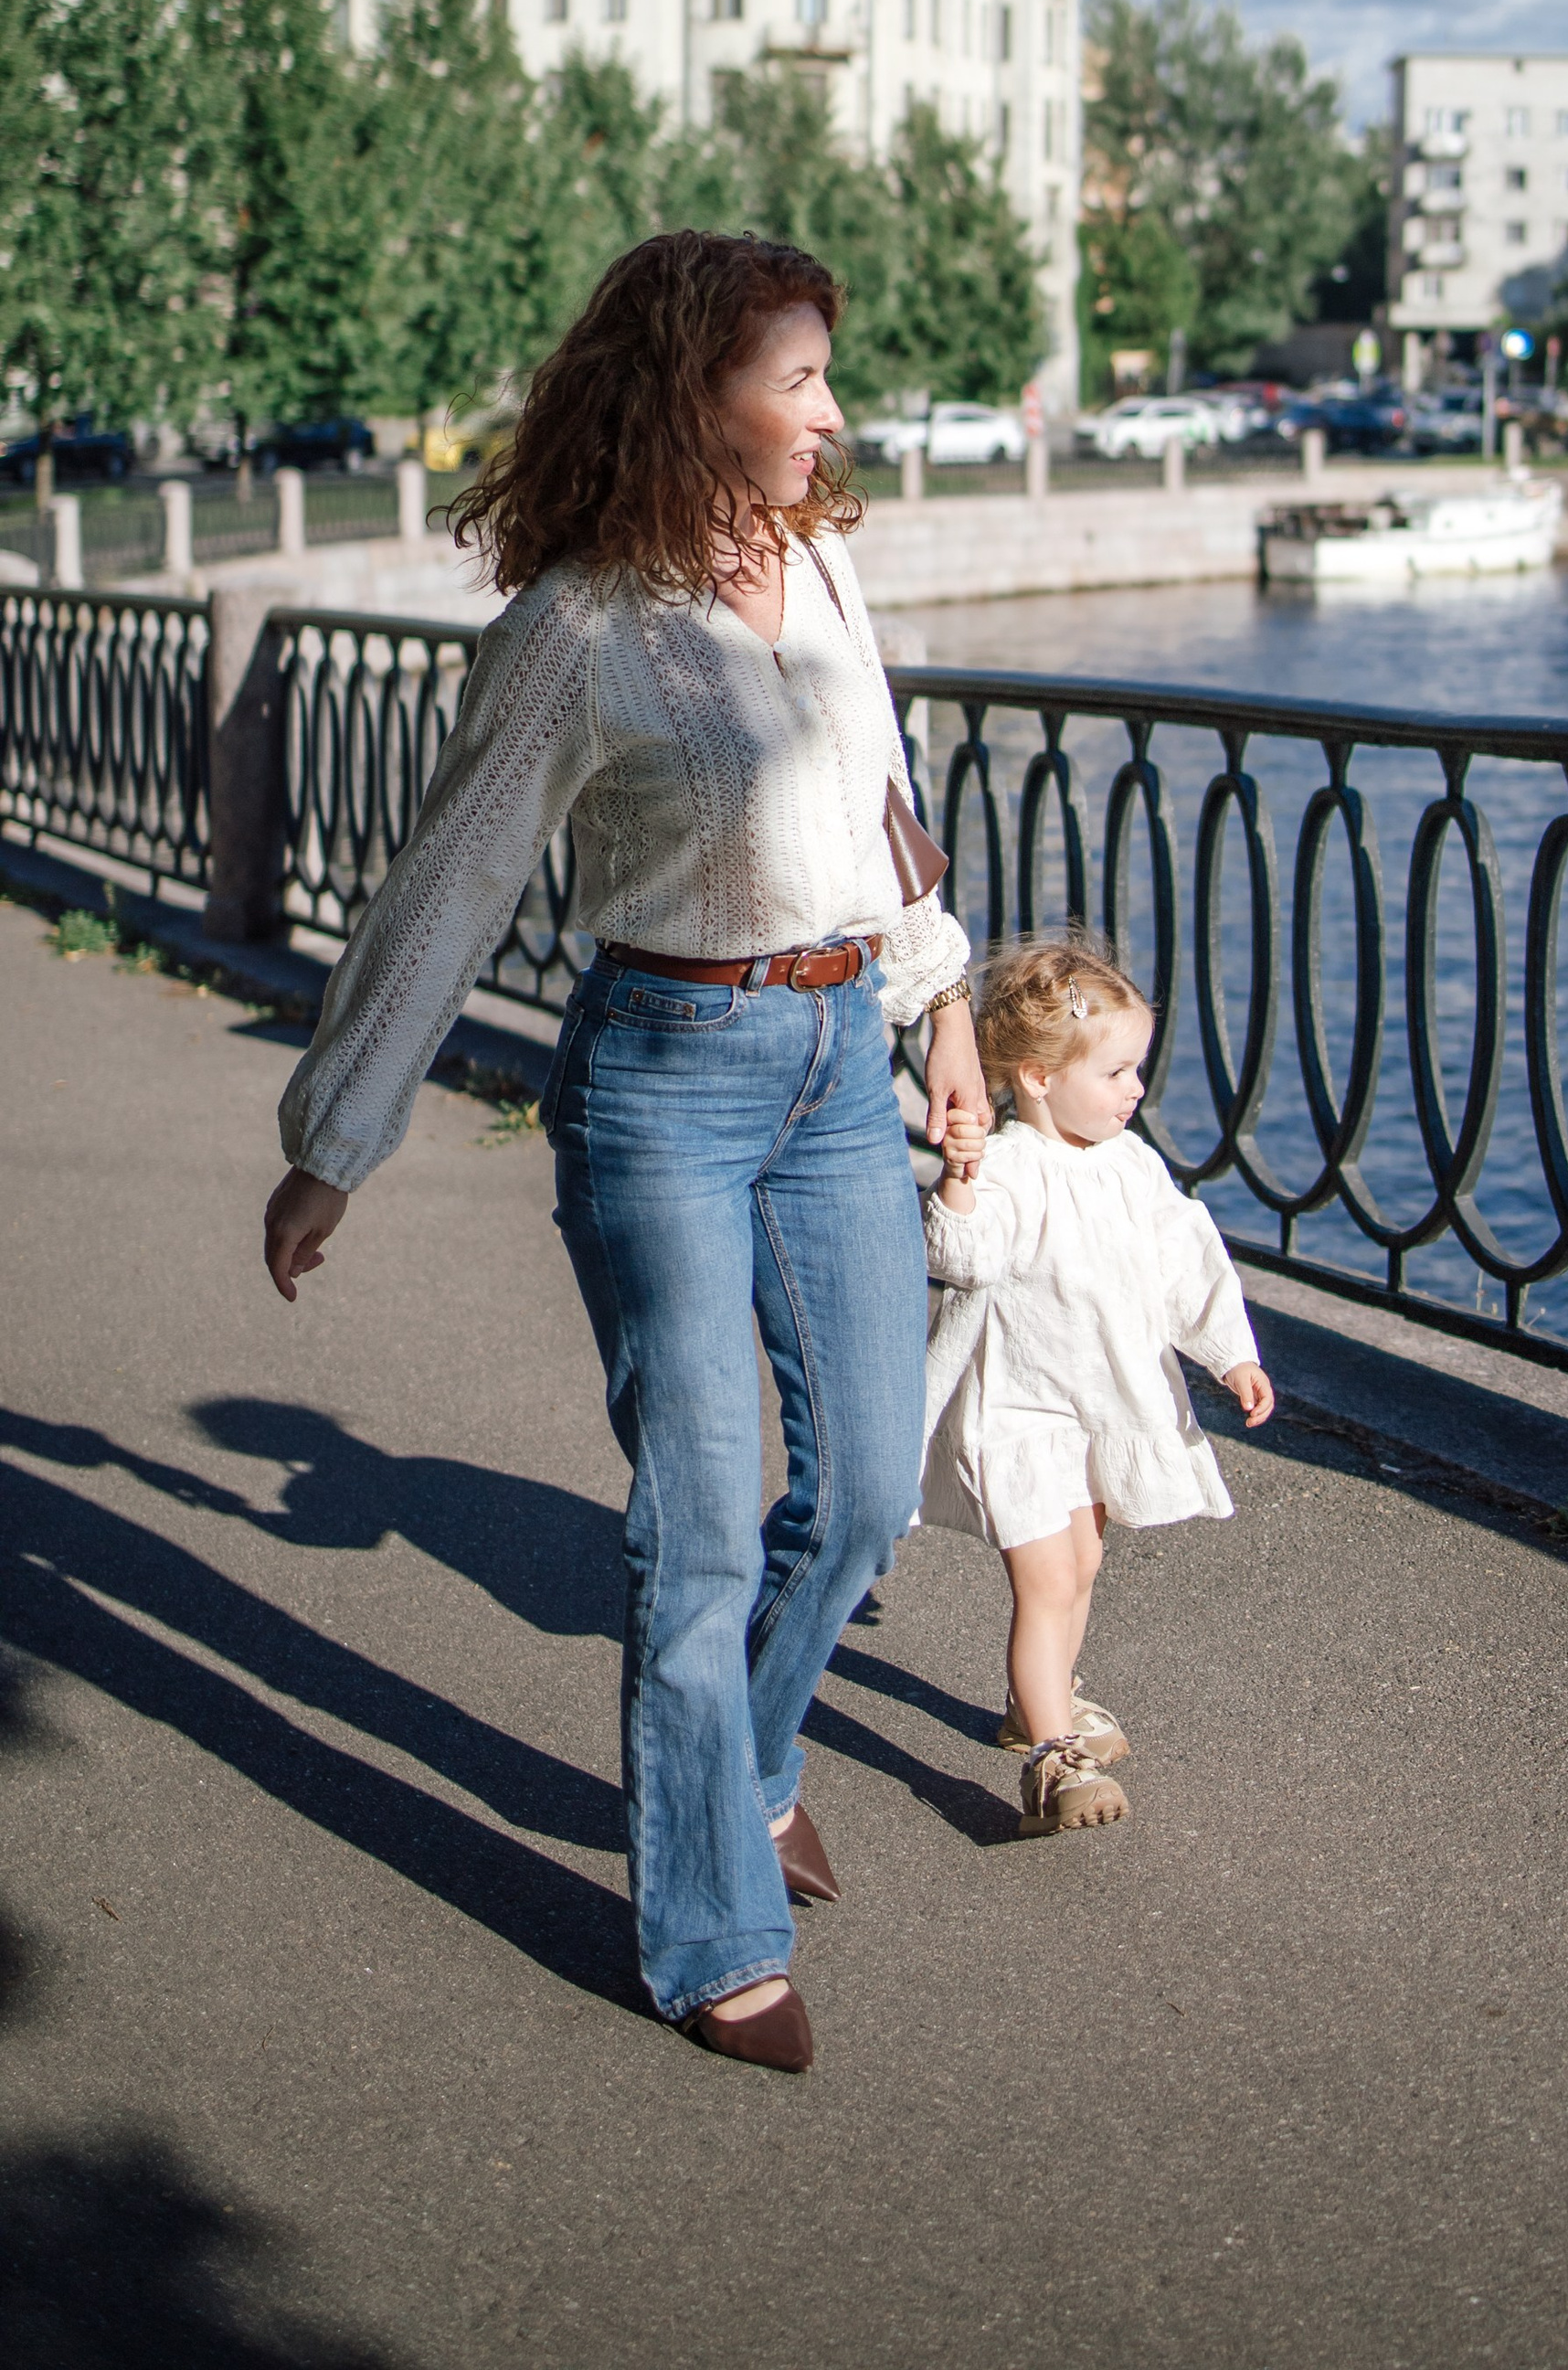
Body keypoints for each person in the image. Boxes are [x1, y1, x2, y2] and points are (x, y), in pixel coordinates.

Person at [260, 231, 988, 2073]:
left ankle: (749, 1766)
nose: (831, 409)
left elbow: (881, 803)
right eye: (798, 377)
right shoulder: (580, 630)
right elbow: (449, 883)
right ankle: (709, 1933)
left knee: (870, 1490)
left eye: (824, 372)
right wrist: (336, 1139)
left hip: (840, 1058)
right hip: (666, 1077)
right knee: (701, 1517)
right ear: (695, 393)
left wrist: (945, 1012)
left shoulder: (823, 565)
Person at [919, 932, 1273, 1838]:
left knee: (1082, 1565)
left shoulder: (1131, 1165)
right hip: (1019, 1412)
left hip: (1101, 1405)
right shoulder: (1007, 1167)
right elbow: (962, 1257)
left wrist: (1229, 1354)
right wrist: (958, 1180)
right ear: (1039, 1077)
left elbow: (1185, 1259)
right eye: (1116, 1072)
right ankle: (1053, 1757)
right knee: (1046, 1581)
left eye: (1136, 1069)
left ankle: (1041, 1701)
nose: (1135, 1089)